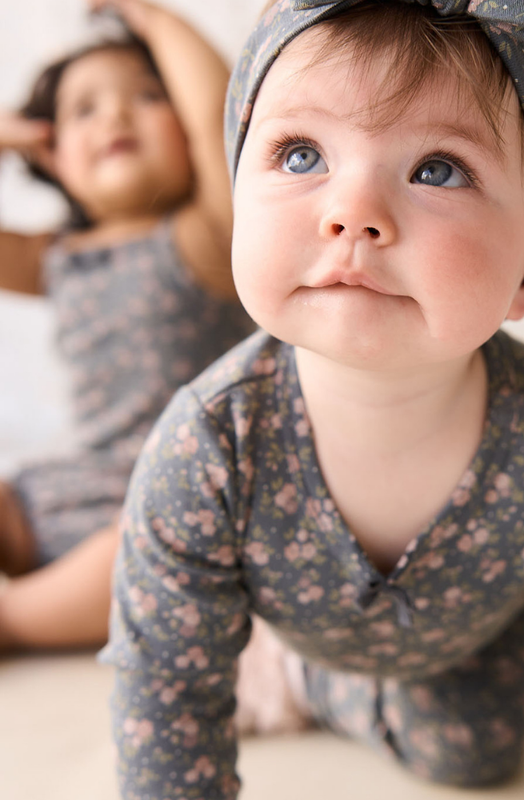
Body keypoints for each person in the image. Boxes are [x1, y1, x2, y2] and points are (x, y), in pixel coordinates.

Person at [102, 1, 524, 798]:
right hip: (292, 618)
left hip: (475, 638)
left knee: (478, 753)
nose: (354, 212)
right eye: (299, 154)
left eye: (437, 170)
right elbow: (164, 682)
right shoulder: (210, 442)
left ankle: (322, 687)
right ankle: (288, 666)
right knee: (182, 658)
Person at [0, 0, 254, 653]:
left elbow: (218, 117)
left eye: (146, 96)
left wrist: (155, 20)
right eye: (83, 109)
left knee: (157, 547)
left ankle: (18, 618)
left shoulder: (206, 238)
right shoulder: (52, 257)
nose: (113, 114)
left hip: (181, 492)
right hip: (65, 488)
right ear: (51, 153)